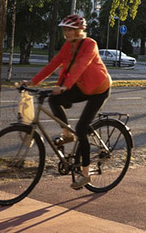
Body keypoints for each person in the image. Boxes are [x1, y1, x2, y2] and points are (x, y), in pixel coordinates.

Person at [28, 14, 112, 188]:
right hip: (82, 87)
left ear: (79, 31)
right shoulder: (67, 47)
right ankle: (67, 135)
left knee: (82, 128)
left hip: (99, 89)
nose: (66, 33)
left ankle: (85, 173)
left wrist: (65, 86)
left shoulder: (90, 44)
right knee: (53, 99)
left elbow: (81, 65)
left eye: (69, 30)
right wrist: (32, 82)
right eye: (64, 30)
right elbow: (53, 64)